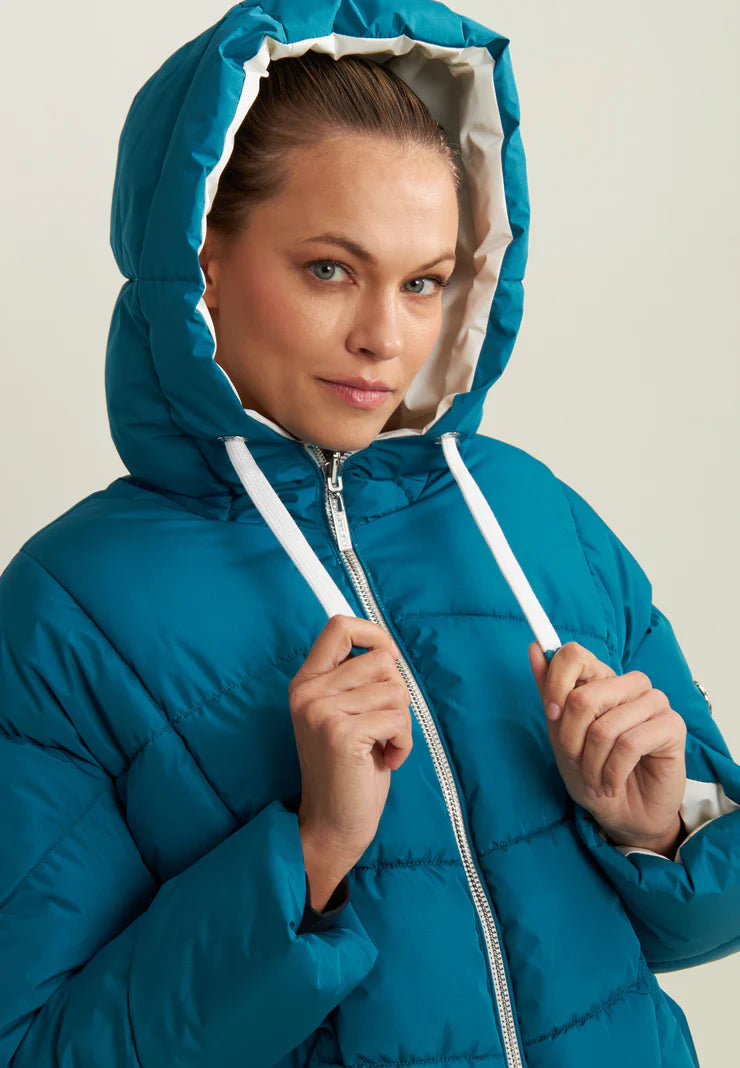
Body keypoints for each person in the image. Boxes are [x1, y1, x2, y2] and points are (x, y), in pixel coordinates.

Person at [1, 1, 738, 1066]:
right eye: (330, 270)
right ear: (199, 258)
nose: (385, 339)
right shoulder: (68, 609)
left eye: (424, 281)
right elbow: (36, 1047)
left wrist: (657, 828)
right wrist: (311, 852)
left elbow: (701, 925)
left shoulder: (537, 519)